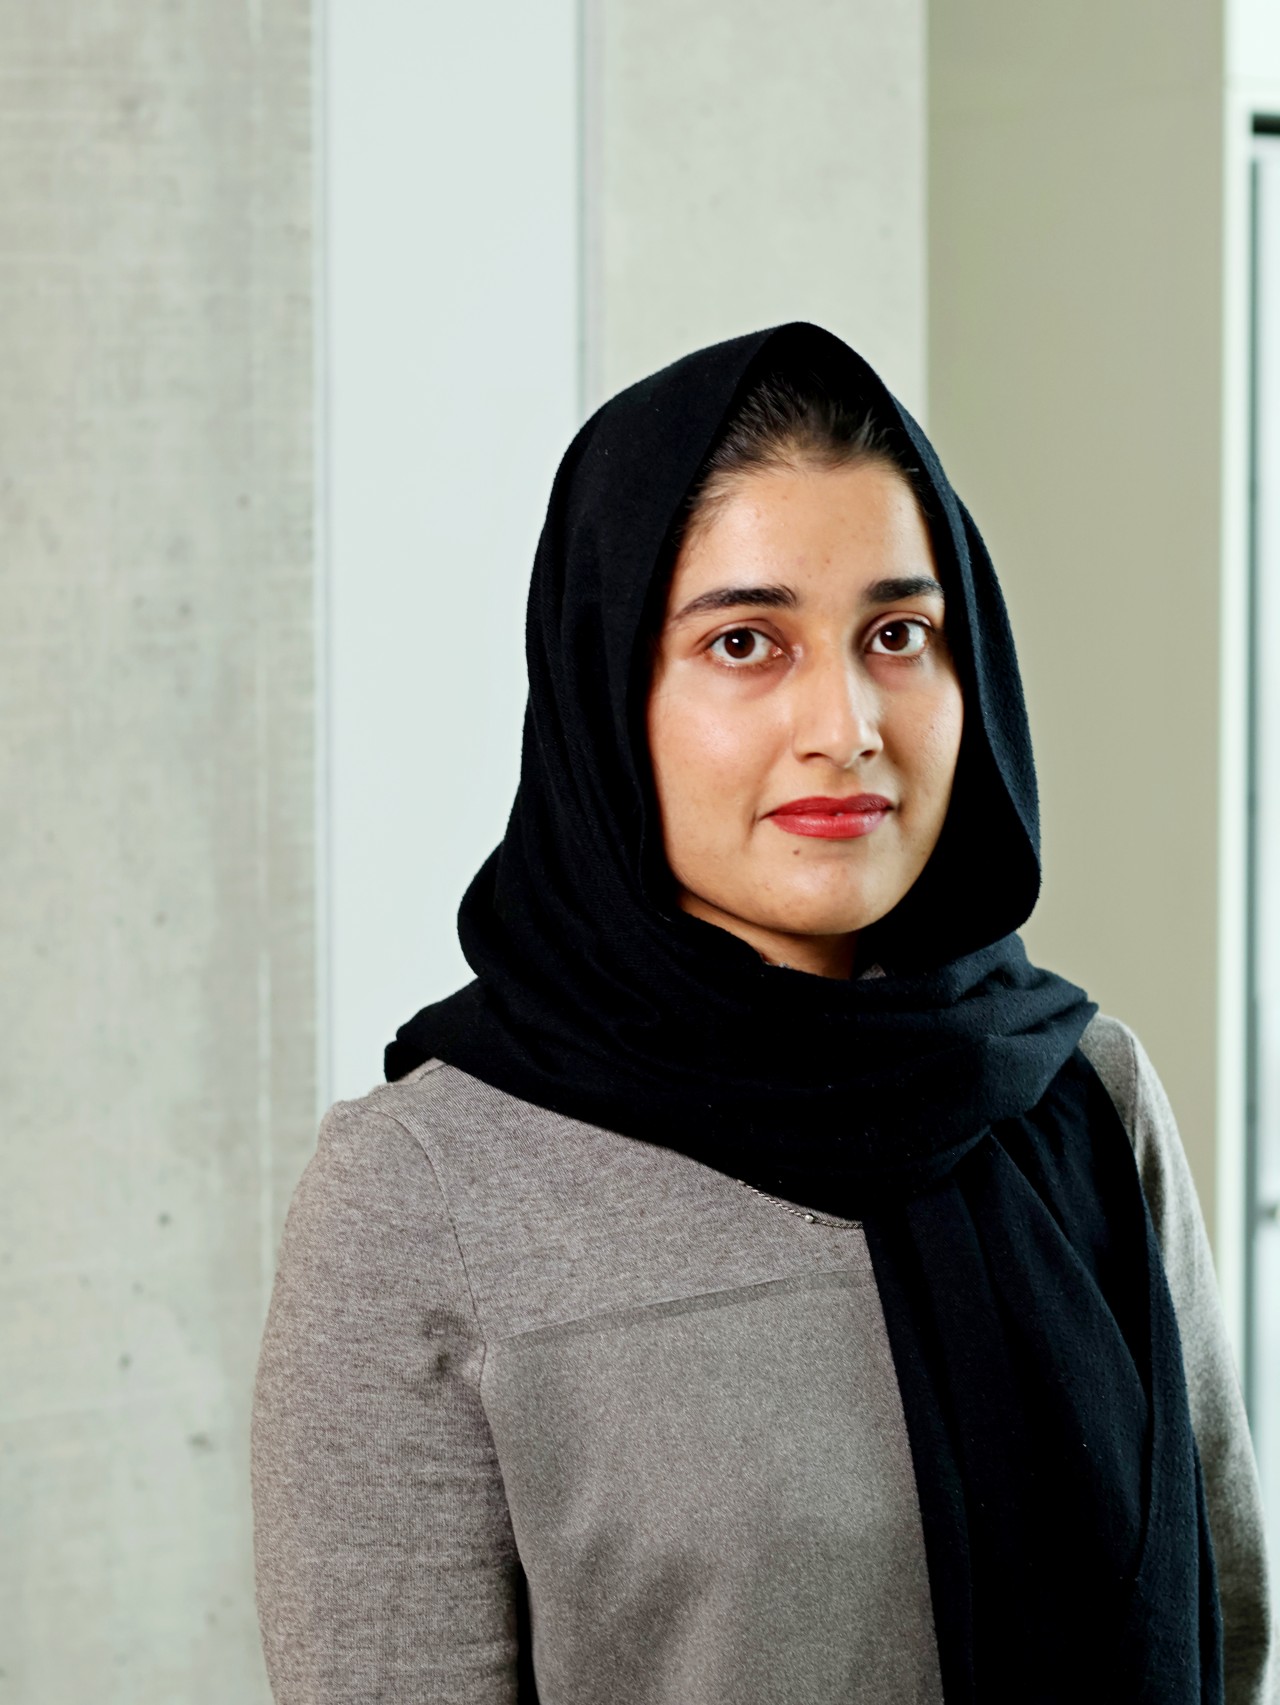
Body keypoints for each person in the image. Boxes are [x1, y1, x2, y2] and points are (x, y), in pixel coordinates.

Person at [251, 322, 1275, 1703]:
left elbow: (1226, 1624)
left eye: (899, 634)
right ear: (612, 692)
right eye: (747, 641)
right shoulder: (427, 1191)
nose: (845, 719)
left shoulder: (1083, 1093)